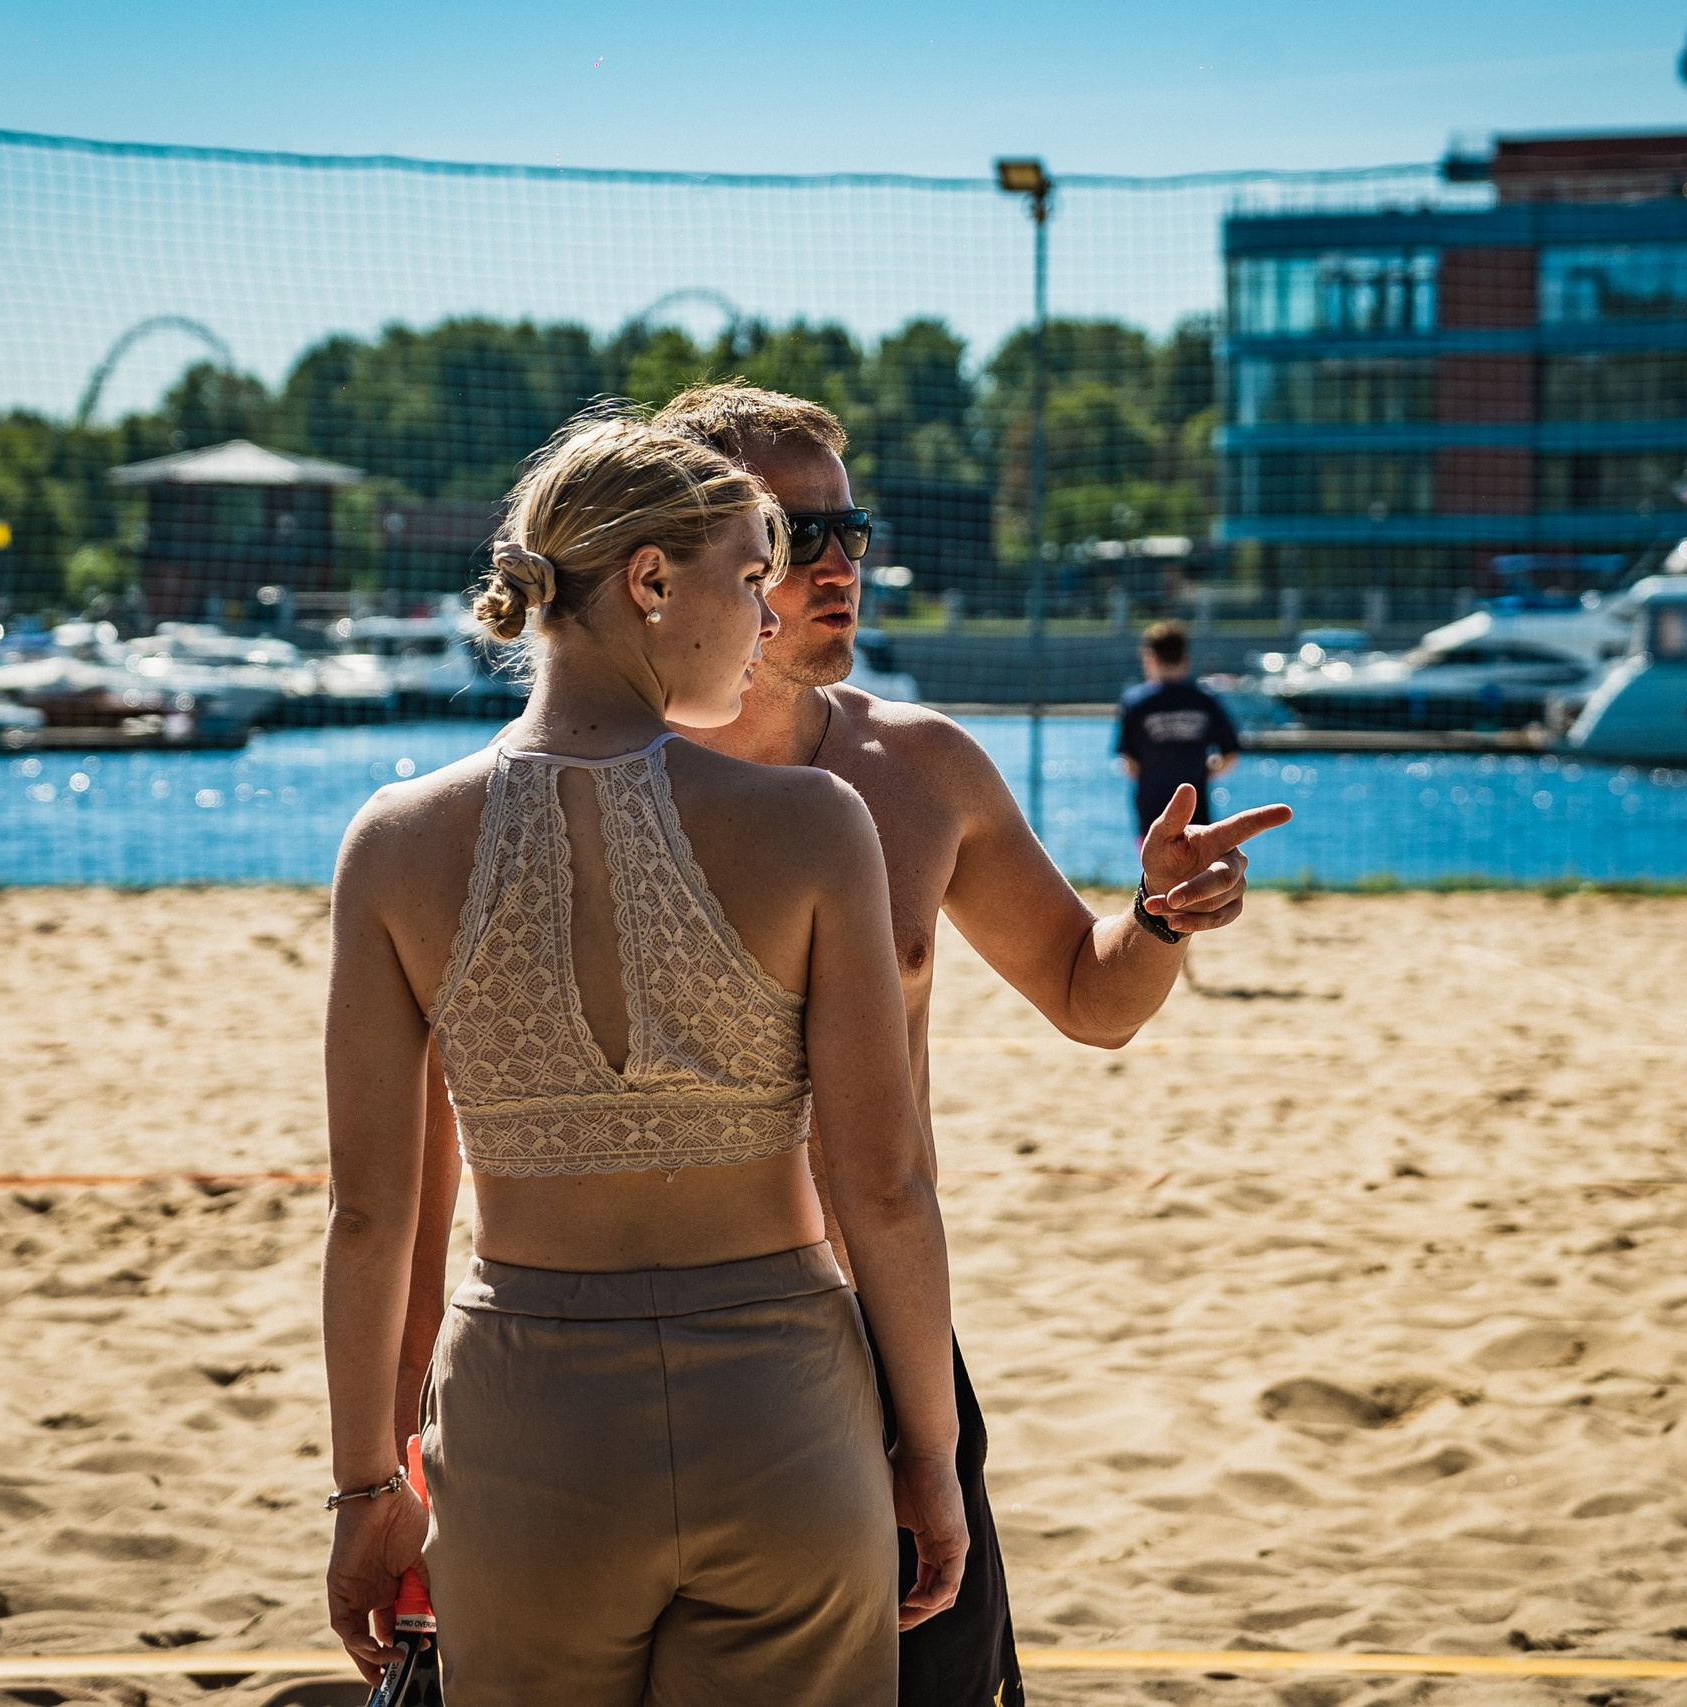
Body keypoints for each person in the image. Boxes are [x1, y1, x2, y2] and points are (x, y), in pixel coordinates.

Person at [637, 382, 1291, 1706]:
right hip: (636, 1325)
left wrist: (1157, 914)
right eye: (798, 533)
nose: (842, 565)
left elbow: (1084, 993)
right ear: (697, 552)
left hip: (874, 1328)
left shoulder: (918, 766)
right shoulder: (581, 774)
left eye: (853, 530)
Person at [324, 412, 966, 1707]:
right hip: (782, 1408)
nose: (765, 620)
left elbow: (371, 1214)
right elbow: (885, 1182)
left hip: (526, 1420)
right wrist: (932, 1457)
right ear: (651, 581)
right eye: (750, 576)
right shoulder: (811, 823)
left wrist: (364, 1484)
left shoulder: (394, 842)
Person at [1115, 620, 1244, 840]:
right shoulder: (1205, 700)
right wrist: (1204, 772)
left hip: (1152, 811)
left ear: (1150, 658)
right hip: (1195, 812)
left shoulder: (1135, 702)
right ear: (1186, 659)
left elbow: (1128, 764)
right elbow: (1230, 755)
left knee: (1154, 871)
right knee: (1195, 872)